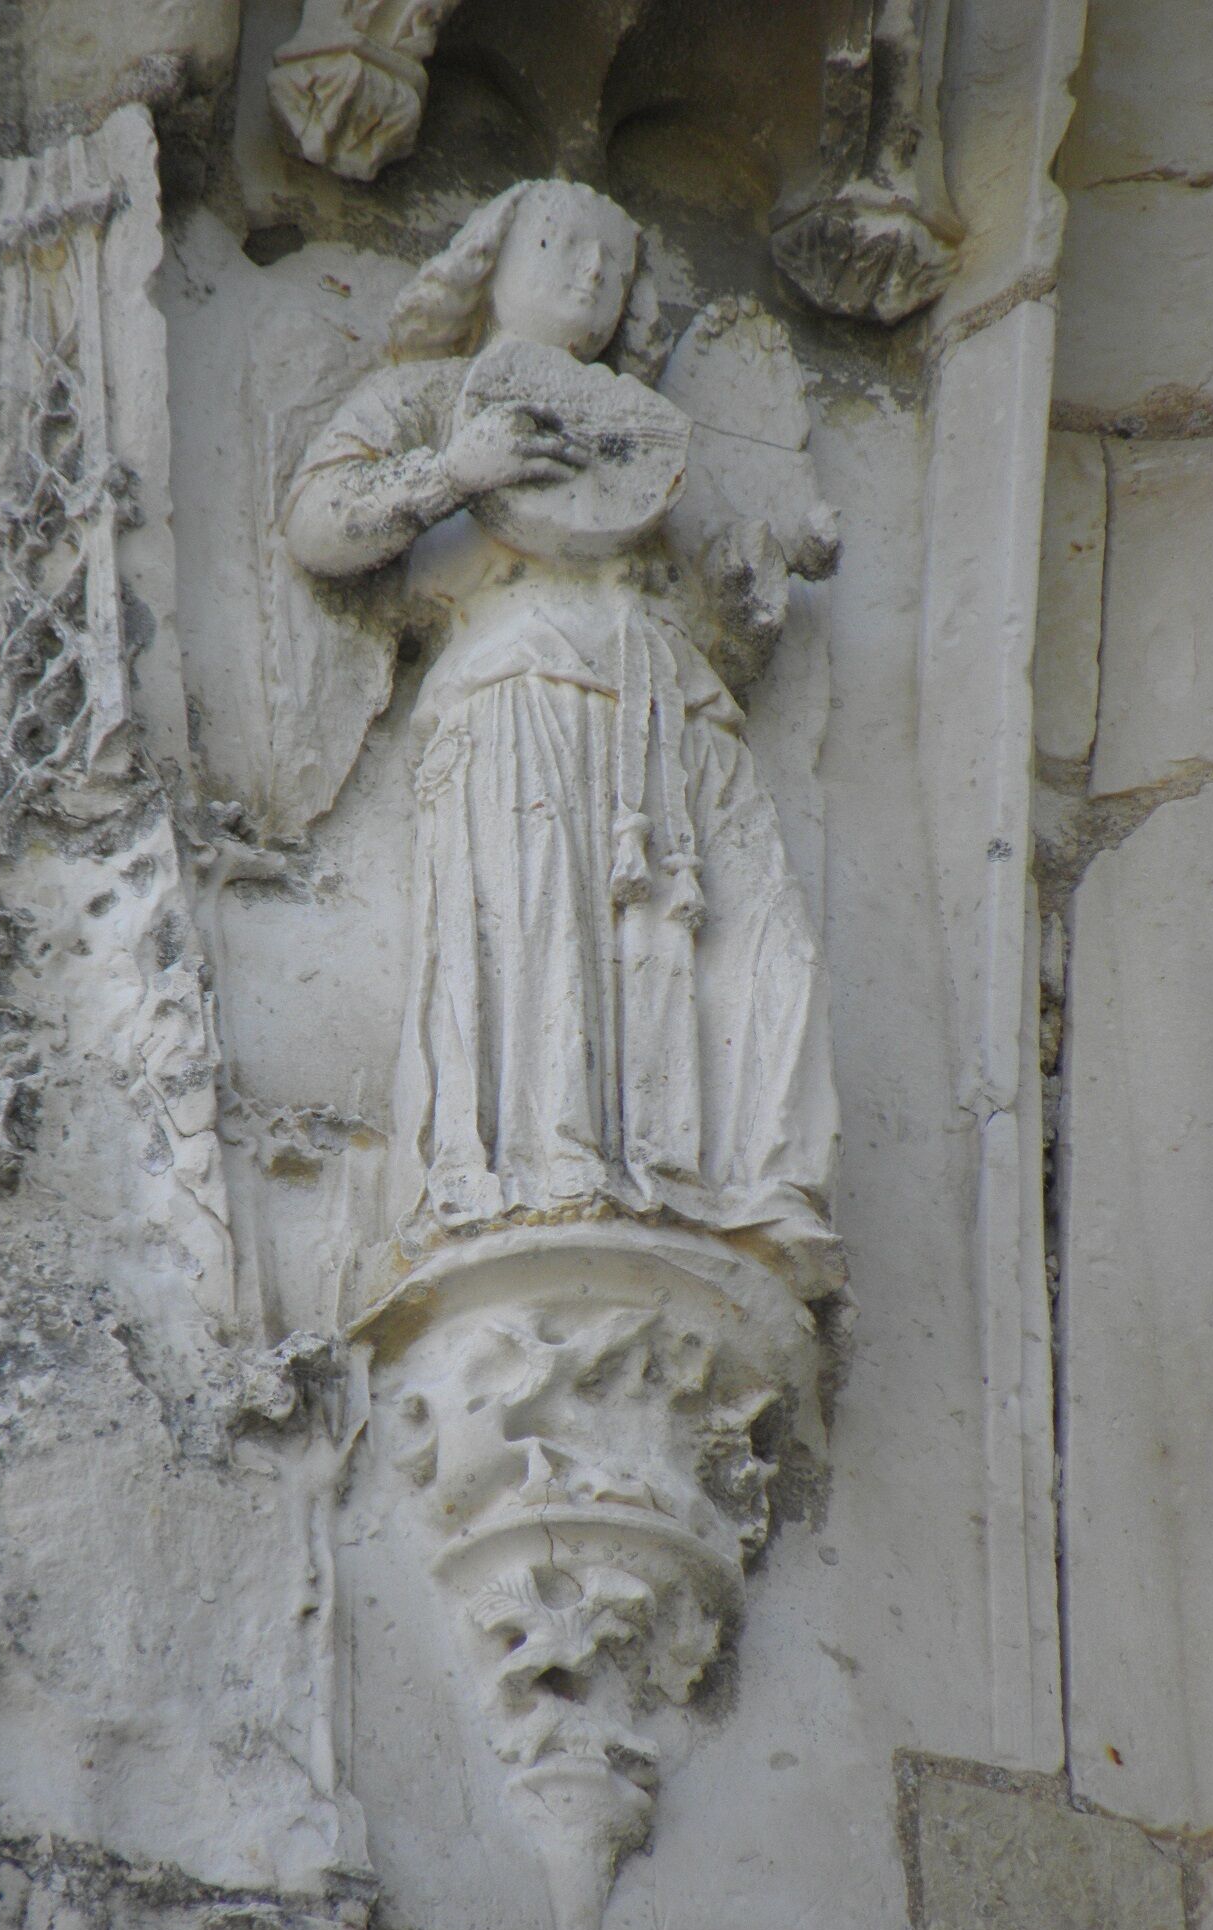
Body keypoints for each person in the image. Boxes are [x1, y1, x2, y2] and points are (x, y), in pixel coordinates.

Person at [283, 179, 845, 1300]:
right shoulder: (429, 394)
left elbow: (710, 623)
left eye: (615, 261)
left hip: (672, 721)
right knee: (536, 935)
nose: (588, 272)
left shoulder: (639, 439)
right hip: (518, 694)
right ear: (488, 259)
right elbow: (318, 525)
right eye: (557, 243)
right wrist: (457, 468)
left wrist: (756, 571)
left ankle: (751, 1185)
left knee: (760, 937)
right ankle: (542, 1179)